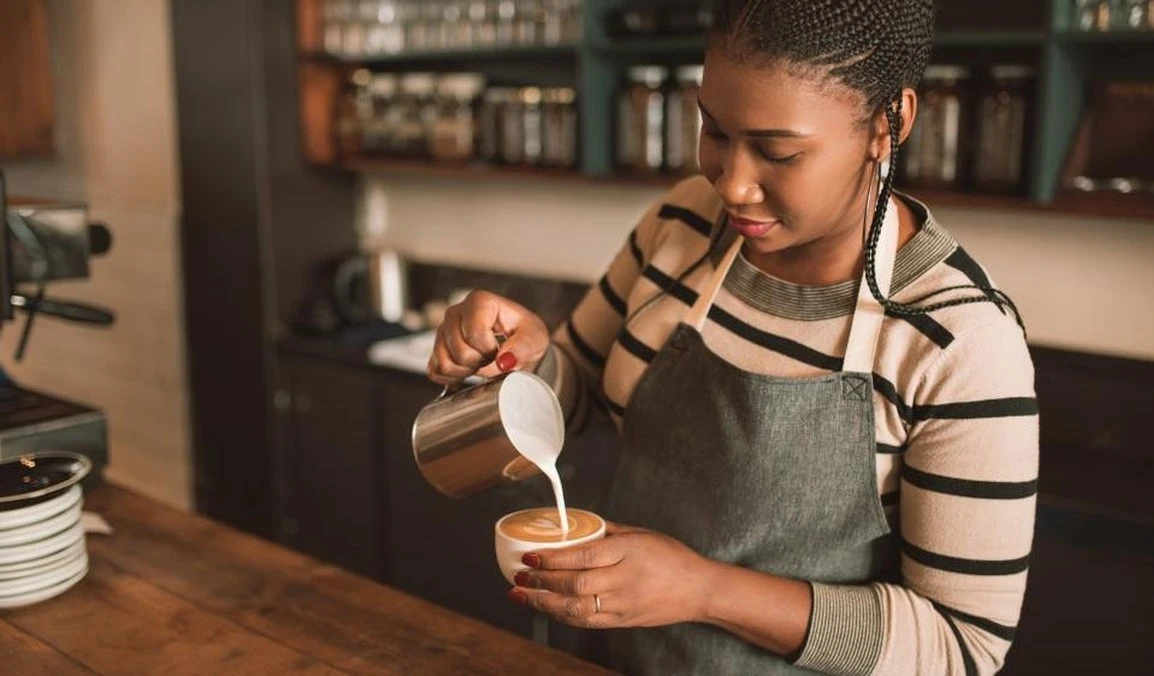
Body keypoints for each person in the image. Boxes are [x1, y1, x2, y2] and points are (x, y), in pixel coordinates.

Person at [426, 0, 1038, 673]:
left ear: (889, 124)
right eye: (714, 131)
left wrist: (703, 591)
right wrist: (527, 359)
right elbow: (577, 396)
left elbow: (961, 645)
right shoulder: (683, 222)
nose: (734, 185)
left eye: (778, 152)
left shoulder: (959, 341)